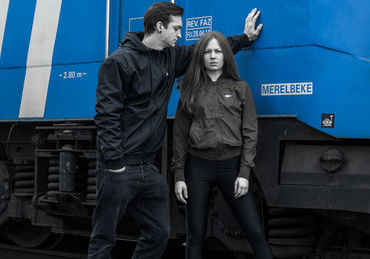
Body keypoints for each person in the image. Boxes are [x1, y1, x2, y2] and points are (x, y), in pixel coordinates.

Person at [90, 1, 263, 258]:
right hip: (119, 165)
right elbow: (106, 116)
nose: (180, 34)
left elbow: (203, 50)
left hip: (147, 167)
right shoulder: (118, 62)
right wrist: (115, 164)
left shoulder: (171, 57)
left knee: (158, 233)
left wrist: (245, 38)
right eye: (177, 28)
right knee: (104, 237)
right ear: (160, 27)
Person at [171, 30, 272, 259]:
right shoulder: (190, 90)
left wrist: (244, 172)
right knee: (195, 235)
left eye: (218, 51)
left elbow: (250, 131)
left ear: (226, 55)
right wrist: (179, 176)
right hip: (198, 167)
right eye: (207, 52)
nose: (213, 56)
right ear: (201, 57)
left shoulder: (240, 88)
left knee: (255, 231)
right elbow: (179, 134)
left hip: (232, 168)